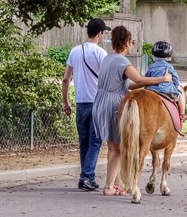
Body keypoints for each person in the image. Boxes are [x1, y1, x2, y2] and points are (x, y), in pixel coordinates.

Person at [92, 25, 172, 196]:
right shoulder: (122, 61)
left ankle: (116, 183)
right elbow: (139, 79)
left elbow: (129, 84)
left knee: (112, 147)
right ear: (126, 42)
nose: (132, 45)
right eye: (132, 42)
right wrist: (163, 78)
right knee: (117, 149)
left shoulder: (107, 58)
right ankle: (108, 187)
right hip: (113, 102)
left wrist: (147, 83)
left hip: (100, 101)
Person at [62, 18, 110, 191]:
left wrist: (65, 102)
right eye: (103, 33)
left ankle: (88, 176)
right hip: (97, 102)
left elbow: (66, 78)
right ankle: (86, 177)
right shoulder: (101, 53)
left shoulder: (74, 51)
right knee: (95, 142)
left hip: (80, 102)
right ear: (99, 34)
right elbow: (107, 79)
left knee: (84, 142)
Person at [145, 41, 187, 120]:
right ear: (169, 57)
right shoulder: (169, 66)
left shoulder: (151, 66)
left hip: (152, 90)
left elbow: (147, 77)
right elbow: (176, 79)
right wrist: (175, 87)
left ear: (153, 56)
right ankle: (182, 114)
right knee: (180, 97)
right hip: (167, 90)